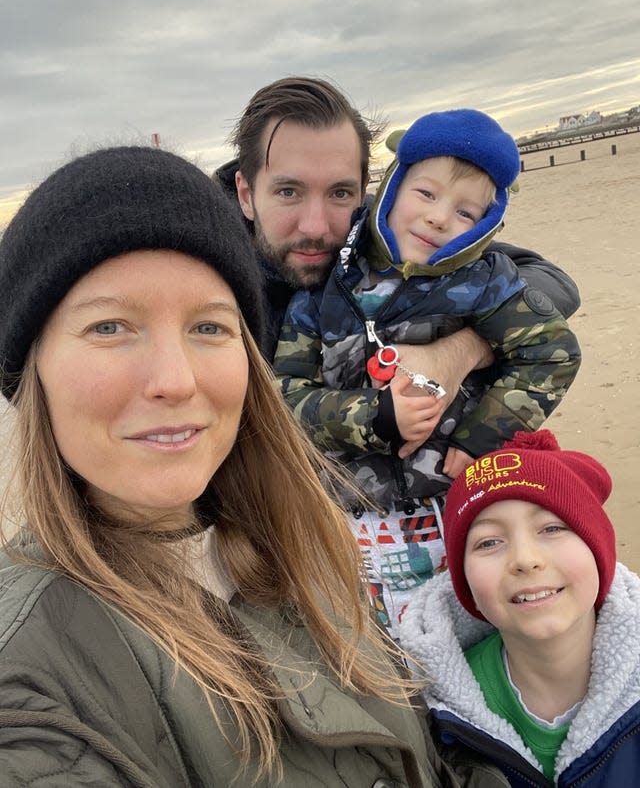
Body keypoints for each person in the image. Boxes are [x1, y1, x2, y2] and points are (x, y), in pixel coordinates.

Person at [0, 146, 506, 787]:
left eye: (209, 328)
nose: (174, 381)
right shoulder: (31, 677)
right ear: (31, 369)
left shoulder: (302, 540)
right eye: (109, 327)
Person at [272, 109, 581, 638]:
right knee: (374, 643)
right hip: (351, 516)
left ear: (487, 224)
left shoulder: (487, 284)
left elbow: (552, 353)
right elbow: (284, 397)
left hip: (454, 507)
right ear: (391, 190)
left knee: (471, 632)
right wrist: (375, 417)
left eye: (466, 212)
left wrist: (483, 433)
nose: (439, 219)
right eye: (425, 194)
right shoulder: (321, 290)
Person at [215, 76, 581, 370]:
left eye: (340, 193)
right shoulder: (204, 270)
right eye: (288, 192)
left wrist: (459, 352)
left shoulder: (384, 234)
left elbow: (550, 280)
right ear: (246, 195)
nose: (315, 227)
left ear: (365, 191)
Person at [402, 430, 640, 786]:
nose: (525, 560)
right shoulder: (428, 714)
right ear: (463, 578)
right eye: (489, 542)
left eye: (552, 528)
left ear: (598, 550)